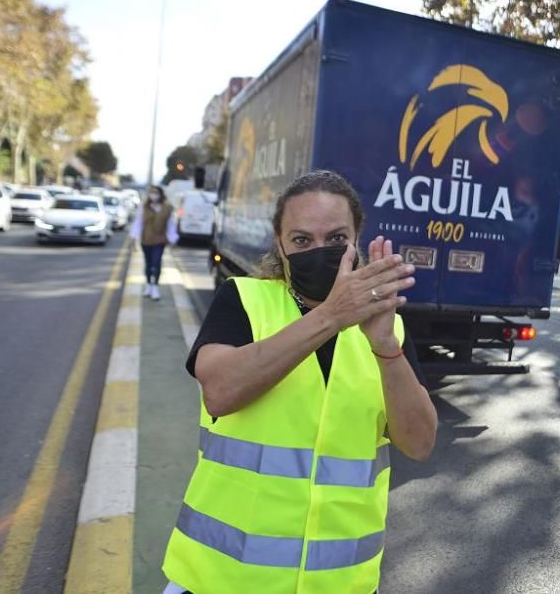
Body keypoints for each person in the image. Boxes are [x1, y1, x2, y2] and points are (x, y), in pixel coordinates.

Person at [161, 170, 437, 594]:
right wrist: (332, 316)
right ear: (280, 243)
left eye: (337, 238)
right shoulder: (243, 300)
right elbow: (220, 392)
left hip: (341, 585)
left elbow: (419, 443)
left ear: (357, 238)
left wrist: (385, 346)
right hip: (224, 581)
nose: (320, 251)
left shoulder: (387, 329)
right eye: (302, 240)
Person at [129, 185, 177, 301]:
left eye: (156, 193)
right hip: (146, 240)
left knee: (156, 262)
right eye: (152, 193)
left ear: (161, 194)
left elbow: (171, 225)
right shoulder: (144, 207)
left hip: (159, 240)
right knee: (148, 264)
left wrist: (172, 239)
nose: (153, 195)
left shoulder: (167, 208)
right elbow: (138, 223)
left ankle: (155, 287)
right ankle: (148, 285)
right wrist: (133, 238)